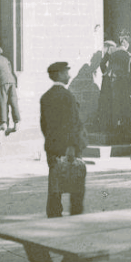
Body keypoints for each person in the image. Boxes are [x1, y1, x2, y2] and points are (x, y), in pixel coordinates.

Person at [40, 61, 87, 217]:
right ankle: (76, 215)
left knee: (55, 184)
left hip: (52, 147)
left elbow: (44, 125)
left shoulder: (46, 97)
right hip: (69, 149)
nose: (69, 75)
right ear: (59, 74)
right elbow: (73, 124)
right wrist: (72, 147)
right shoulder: (67, 96)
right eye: (67, 73)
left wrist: (52, 142)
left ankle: (54, 214)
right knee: (76, 185)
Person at [0, 44, 20, 136]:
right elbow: (10, 70)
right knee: (13, 101)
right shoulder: (5, 59)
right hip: (12, 81)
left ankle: (3, 123)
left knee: (2, 101)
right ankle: (16, 122)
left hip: (2, 82)